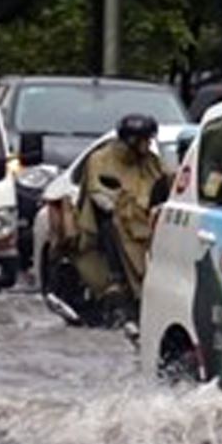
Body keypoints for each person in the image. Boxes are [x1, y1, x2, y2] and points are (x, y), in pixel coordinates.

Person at [70, 112, 167, 318]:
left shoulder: (150, 161)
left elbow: (166, 182)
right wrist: (120, 207)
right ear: (133, 140)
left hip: (146, 223)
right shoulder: (101, 159)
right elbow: (99, 194)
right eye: (145, 140)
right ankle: (117, 279)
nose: (149, 144)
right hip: (109, 225)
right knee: (113, 226)